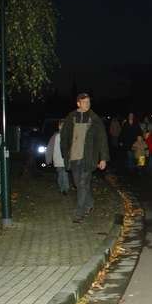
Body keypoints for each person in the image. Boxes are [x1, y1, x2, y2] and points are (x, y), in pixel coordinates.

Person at [60, 93, 110, 223]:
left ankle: (79, 213)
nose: (87, 104)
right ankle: (90, 203)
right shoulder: (71, 117)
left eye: (89, 102)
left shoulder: (94, 118)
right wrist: (65, 153)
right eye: (84, 102)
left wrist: (103, 158)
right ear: (78, 103)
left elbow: (102, 139)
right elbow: (64, 137)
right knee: (79, 185)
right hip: (74, 158)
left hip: (89, 158)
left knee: (82, 183)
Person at [45, 119, 69, 195]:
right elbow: (49, 148)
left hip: (65, 159)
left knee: (64, 174)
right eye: (62, 126)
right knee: (60, 174)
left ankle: (65, 189)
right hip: (57, 159)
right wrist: (48, 159)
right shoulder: (55, 136)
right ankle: (62, 188)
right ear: (59, 126)